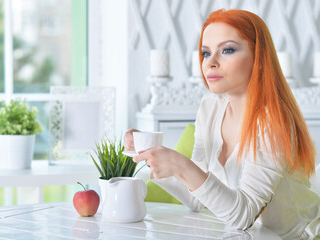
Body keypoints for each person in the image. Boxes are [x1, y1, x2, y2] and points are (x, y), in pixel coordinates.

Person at [125, 9, 320, 239]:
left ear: (259, 59)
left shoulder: (272, 122)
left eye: (227, 50)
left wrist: (181, 164)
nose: (211, 63)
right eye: (206, 53)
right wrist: (151, 155)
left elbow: (243, 216)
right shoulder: (210, 109)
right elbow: (196, 197)